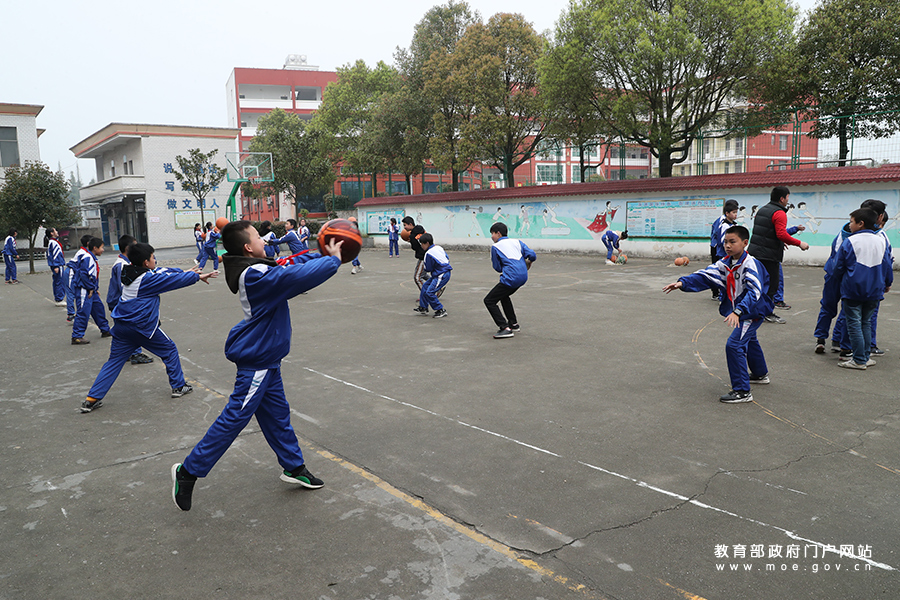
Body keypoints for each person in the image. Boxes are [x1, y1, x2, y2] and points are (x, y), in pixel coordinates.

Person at [171, 220, 344, 511]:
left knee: (277, 416)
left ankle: (294, 467)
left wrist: (322, 254)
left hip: (267, 358)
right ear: (248, 248)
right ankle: (188, 471)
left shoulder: (258, 267)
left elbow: (290, 263)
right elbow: (294, 277)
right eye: (258, 237)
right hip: (257, 361)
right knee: (235, 417)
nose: (264, 239)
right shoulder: (254, 275)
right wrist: (332, 262)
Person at [80, 243, 215, 413]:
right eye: (152, 257)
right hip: (141, 327)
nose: (155, 260)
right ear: (145, 262)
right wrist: (194, 276)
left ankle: (92, 399)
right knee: (169, 350)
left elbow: (162, 272)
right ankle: (179, 386)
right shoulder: (147, 280)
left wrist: (183, 271)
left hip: (122, 327)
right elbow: (171, 281)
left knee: (114, 362)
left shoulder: (130, 272)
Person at [663, 225, 773, 403]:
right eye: (725, 242)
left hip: (752, 313)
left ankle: (742, 391)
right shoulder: (726, 263)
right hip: (743, 312)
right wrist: (682, 283)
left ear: (745, 242)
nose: (728, 245)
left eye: (732, 242)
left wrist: (738, 311)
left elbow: (755, 292)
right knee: (749, 339)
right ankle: (760, 374)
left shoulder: (750, 264)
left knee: (734, 345)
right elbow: (706, 275)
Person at [832, 208, 893, 370]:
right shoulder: (881, 240)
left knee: (854, 324)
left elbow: (838, 267)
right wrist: (888, 283)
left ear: (861, 223)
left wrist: (838, 281)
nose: (849, 225)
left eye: (851, 222)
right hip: (875, 290)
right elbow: (887, 265)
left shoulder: (850, 241)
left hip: (853, 289)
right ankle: (865, 357)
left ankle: (858, 359)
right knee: (866, 323)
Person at [747, 186, 810, 323]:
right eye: (787, 197)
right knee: (772, 286)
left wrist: (780, 242)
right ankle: (767, 313)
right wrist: (799, 243)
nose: (788, 200)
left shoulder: (762, 210)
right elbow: (781, 234)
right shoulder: (779, 213)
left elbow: (766, 232)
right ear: (782, 199)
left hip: (755, 252)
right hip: (769, 255)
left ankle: (754, 311)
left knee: (758, 283)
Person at [107, 235, 154, 366]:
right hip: (120, 302)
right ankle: (135, 353)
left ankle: (126, 352)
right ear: (128, 248)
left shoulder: (124, 263)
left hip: (118, 301)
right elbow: (124, 286)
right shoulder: (122, 265)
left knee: (124, 330)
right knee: (132, 327)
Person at [484, 222, 537, 339]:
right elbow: (532, 255)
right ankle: (513, 324)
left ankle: (505, 328)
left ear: (498, 233)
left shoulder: (495, 247)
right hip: (523, 277)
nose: (492, 236)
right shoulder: (517, 242)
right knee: (504, 296)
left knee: (489, 301)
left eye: (492, 234)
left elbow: (497, 268)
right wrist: (529, 262)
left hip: (511, 278)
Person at [71, 237, 112, 345]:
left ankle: (105, 329)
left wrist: (94, 289)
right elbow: (84, 274)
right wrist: (90, 288)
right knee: (83, 311)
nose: (103, 250)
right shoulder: (87, 257)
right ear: (95, 248)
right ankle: (77, 336)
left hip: (91, 290)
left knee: (98, 309)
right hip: (84, 290)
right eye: (101, 247)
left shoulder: (91, 257)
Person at [413, 233, 451, 318]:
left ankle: (440, 310)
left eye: (422, 244)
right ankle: (423, 307)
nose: (421, 246)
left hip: (441, 275)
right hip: (441, 272)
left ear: (427, 243)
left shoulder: (428, 254)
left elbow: (428, 269)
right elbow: (447, 257)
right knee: (425, 286)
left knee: (430, 292)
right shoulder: (438, 247)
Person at [709, 200, 740, 300]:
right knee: (721, 274)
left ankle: (728, 295)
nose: (736, 214)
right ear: (727, 212)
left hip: (727, 252)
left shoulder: (733, 224)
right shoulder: (723, 223)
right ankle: (718, 294)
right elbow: (722, 240)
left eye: (736, 212)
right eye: (734, 212)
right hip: (720, 251)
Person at [402, 216, 428, 292]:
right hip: (428, 254)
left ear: (410, 224)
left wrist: (411, 241)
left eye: (405, 225)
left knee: (417, 277)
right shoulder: (421, 229)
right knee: (423, 274)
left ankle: (427, 294)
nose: (404, 227)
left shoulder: (412, 236)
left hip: (423, 257)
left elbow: (415, 247)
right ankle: (436, 286)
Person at [46, 228, 66, 304]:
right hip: (58, 265)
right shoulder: (53, 243)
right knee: (59, 281)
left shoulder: (53, 242)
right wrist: (56, 265)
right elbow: (54, 255)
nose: (57, 232)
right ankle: (59, 299)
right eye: (55, 231)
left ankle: (58, 298)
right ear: (52, 233)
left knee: (57, 281)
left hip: (57, 264)